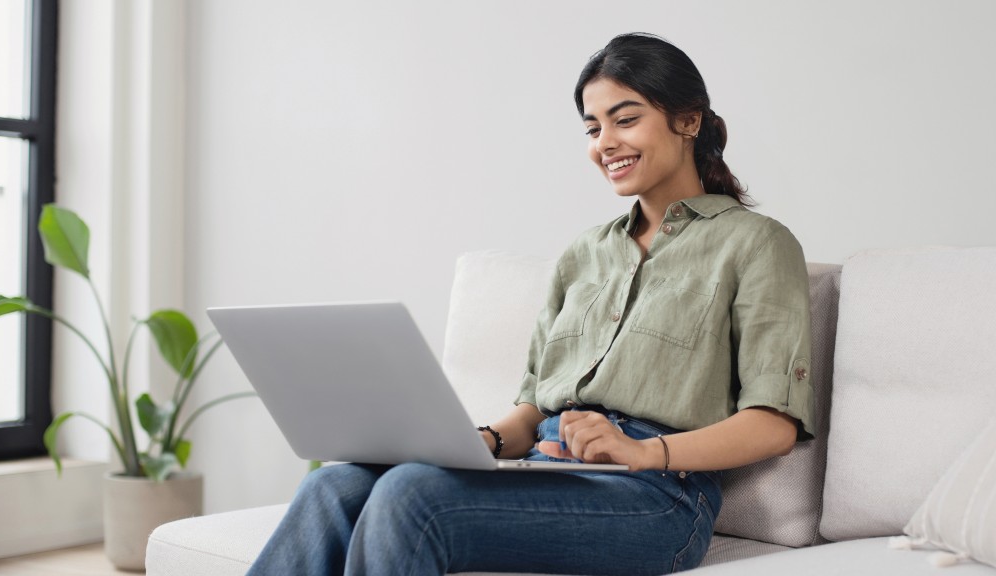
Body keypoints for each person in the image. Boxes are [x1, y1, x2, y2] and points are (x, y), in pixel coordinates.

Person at [247, 32, 813, 576]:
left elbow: (773, 425)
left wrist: (643, 452)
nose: (604, 144)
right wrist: (483, 441)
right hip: (548, 466)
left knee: (410, 494)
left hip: (658, 496)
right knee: (332, 485)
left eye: (626, 118)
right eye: (593, 128)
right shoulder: (583, 254)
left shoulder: (756, 243)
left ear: (688, 121)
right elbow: (533, 409)